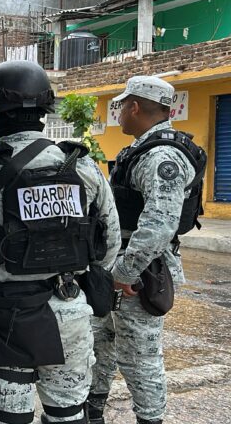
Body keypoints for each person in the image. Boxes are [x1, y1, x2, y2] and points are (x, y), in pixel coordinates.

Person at [0, 60, 121, 424]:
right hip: (71, 311)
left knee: (9, 417)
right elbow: (109, 247)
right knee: (68, 414)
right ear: (44, 113)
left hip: (6, 317)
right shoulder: (84, 167)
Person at [87, 76, 206, 424]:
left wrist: (124, 273)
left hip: (142, 273)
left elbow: (160, 225)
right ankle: (93, 410)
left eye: (122, 106)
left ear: (134, 107)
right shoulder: (142, 148)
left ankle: (150, 419)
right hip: (120, 266)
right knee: (102, 341)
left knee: (140, 357)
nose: (119, 113)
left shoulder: (161, 157)